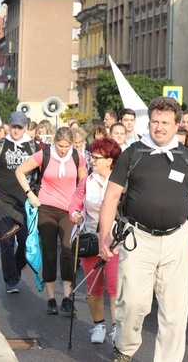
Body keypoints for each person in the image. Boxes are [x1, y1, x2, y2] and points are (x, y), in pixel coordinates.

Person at [98, 97, 188, 362]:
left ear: (177, 125)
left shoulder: (187, 158)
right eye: (155, 122)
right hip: (137, 239)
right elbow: (111, 197)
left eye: (165, 122)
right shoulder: (132, 154)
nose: (159, 127)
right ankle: (125, 348)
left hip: (177, 240)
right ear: (149, 123)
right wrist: (103, 235)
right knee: (131, 304)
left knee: (174, 311)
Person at [16, 127, 87, 316]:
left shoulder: (78, 157)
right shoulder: (43, 154)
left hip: (68, 210)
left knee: (67, 250)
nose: (63, 149)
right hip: (46, 208)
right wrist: (30, 194)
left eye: (67, 146)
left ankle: (66, 298)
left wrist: (81, 208)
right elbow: (20, 171)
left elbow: (84, 183)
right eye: (60, 145)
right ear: (54, 141)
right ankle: (50, 299)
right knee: (49, 252)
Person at [69, 138, 122, 344]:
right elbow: (74, 203)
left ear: (110, 161)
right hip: (90, 240)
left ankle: (117, 327)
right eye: (91, 157)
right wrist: (74, 214)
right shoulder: (87, 181)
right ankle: (98, 326)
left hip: (115, 241)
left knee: (115, 286)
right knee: (92, 288)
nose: (91, 161)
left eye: (96, 158)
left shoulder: (120, 182)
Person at [0, 111, 36, 293]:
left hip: (25, 202)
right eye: (14, 126)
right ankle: (11, 280)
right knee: (7, 242)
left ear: (26, 126)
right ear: (8, 126)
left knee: (27, 244)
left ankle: (15, 269)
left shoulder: (34, 147)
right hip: (2, 200)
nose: (17, 130)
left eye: (20, 127)